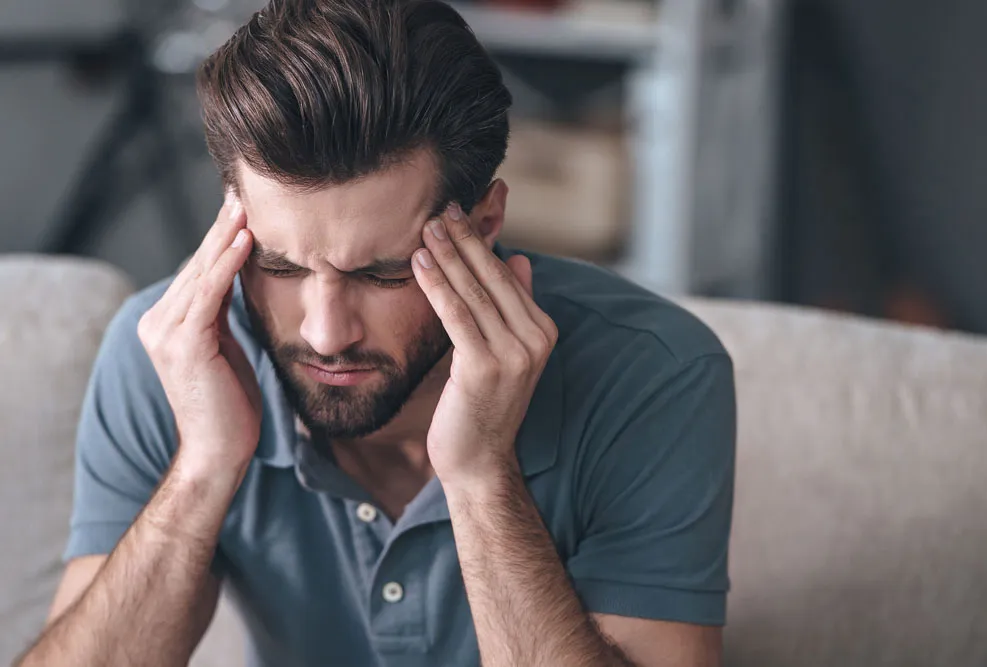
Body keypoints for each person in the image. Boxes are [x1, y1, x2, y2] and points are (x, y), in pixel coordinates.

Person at [16, 1, 736, 665]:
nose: (326, 334)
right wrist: (203, 467)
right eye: (280, 264)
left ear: (483, 226)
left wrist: (483, 476)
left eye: (383, 273)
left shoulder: (655, 374)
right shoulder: (172, 358)